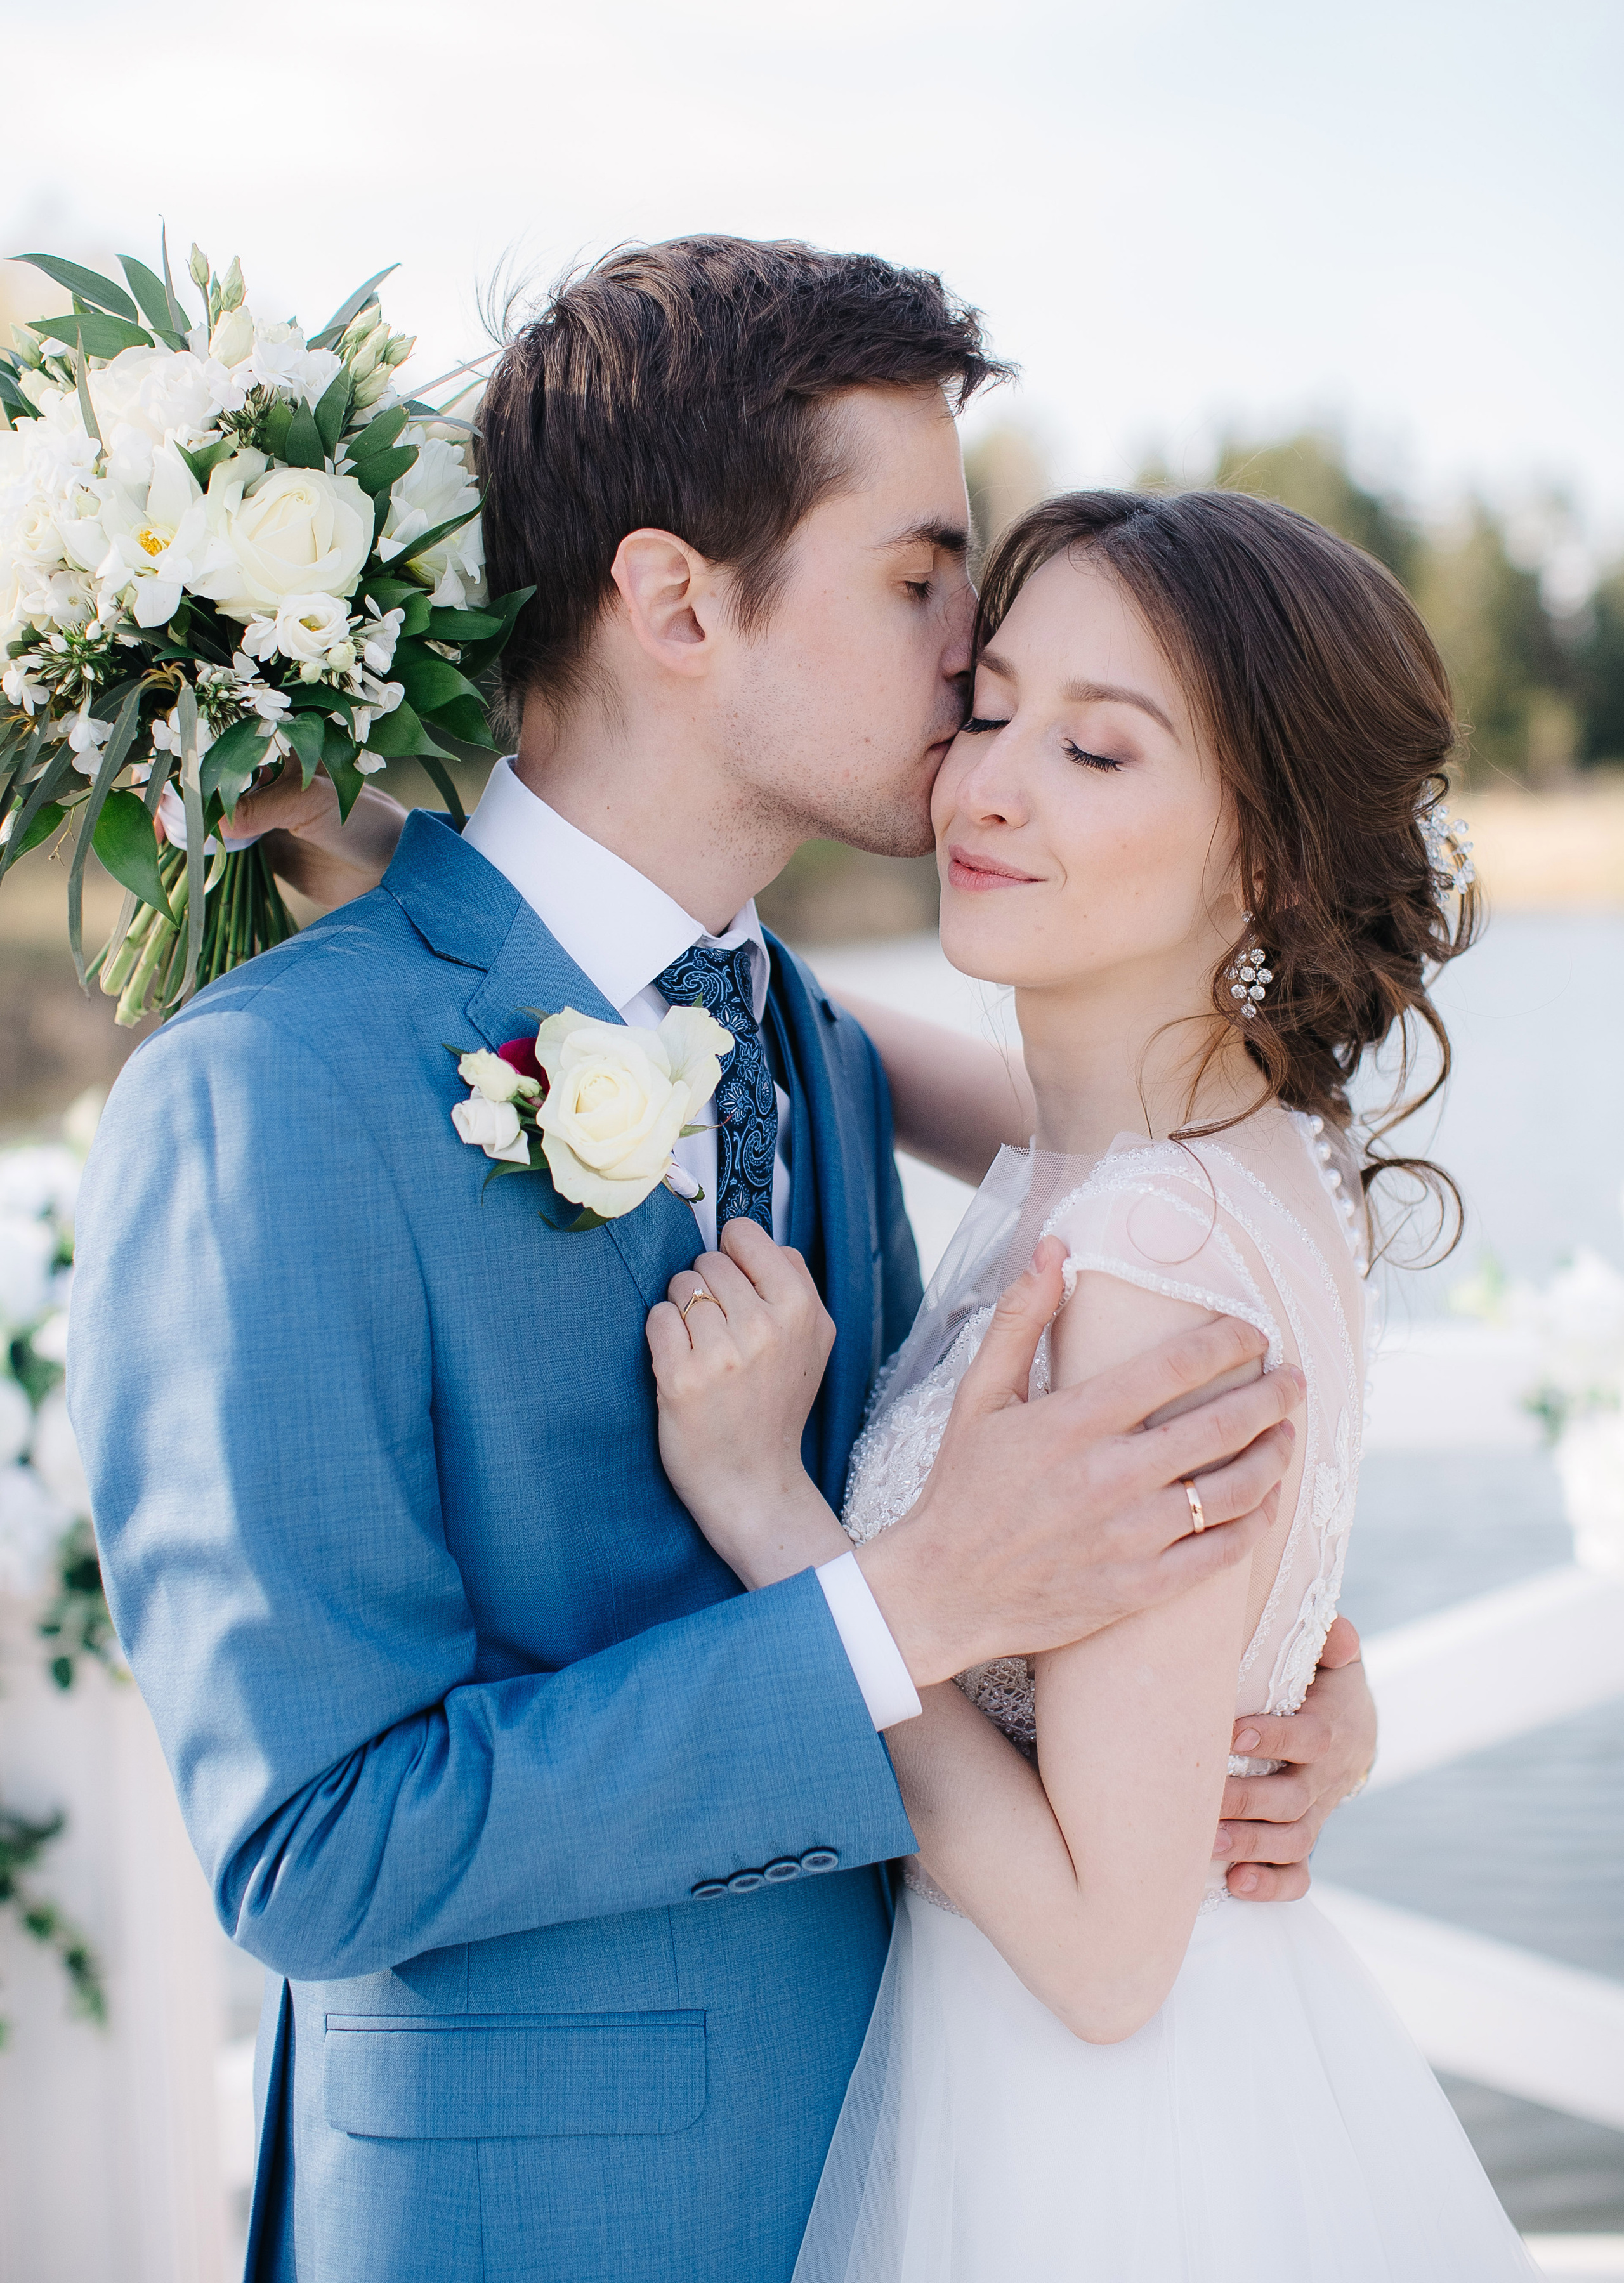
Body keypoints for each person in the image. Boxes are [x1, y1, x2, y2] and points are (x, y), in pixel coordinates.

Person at [69, 240, 1372, 2283]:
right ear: (681, 601)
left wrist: (1282, 1701)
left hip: (964, 2171)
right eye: (923, 581)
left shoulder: (813, 1042)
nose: (974, 652)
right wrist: (904, 1610)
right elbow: (312, 1850)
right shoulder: (267, 1101)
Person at [645, 485, 1538, 2279]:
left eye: (1100, 751)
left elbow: (1105, 1951)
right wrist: (394, 843)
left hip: (1086, 2129)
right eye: (991, 711)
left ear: (1266, 855)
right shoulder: (1176, 1148)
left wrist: (781, 1520)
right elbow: (810, 1025)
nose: (988, 787)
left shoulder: (1150, 1261)